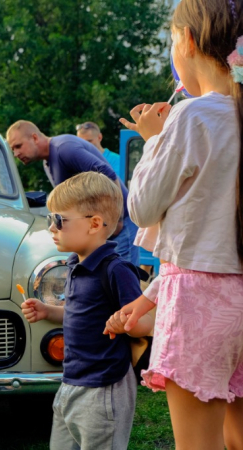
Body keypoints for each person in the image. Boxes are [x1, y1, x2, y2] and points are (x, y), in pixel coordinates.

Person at [113, 0, 243, 447]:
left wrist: (153, 142)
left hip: (198, 305)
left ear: (186, 40)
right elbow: (216, 236)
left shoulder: (191, 117)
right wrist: (149, 299)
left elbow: (142, 209)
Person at [20, 172, 151, 448]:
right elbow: (79, 312)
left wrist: (124, 323)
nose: (51, 228)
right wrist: (47, 311)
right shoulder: (74, 266)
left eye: (58, 220)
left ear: (93, 224)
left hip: (105, 387)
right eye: (49, 220)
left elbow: (146, 319)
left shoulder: (116, 270)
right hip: (70, 382)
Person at [6, 120, 140, 266]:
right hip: (100, 228)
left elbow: (107, 174)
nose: (16, 153)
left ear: (35, 138)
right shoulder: (48, 161)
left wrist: (118, 221)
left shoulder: (64, 148)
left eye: (18, 146)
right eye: (13, 149)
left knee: (121, 281)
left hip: (119, 226)